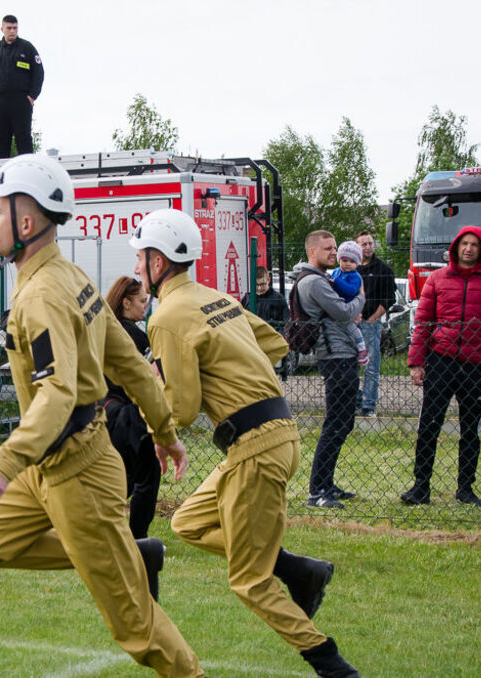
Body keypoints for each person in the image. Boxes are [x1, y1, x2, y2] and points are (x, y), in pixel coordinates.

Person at [0, 155, 203, 677]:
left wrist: (0, 465)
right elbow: (133, 367)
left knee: (136, 628)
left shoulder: (45, 294)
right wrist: (165, 432)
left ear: (26, 224)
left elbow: (56, 395)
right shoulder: (71, 276)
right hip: (46, 467)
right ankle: (115, 554)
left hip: (78, 470)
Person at [132, 209, 360, 678]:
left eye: (141, 257)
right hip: (276, 437)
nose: (137, 267)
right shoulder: (216, 299)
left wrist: (151, 400)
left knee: (251, 580)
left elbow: (183, 409)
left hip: (255, 446)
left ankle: (334, 666)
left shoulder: (168, 316)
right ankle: (297, 569)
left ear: (158, 262)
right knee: (190, 522)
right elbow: (275, 345)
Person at [401, 226, 481, 506]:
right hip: (441, 361)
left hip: (476, 365)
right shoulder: (437, 279)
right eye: (464, 243)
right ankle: (420, 487)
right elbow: (423, 322)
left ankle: (465, 489)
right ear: (456, 246)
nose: (469, 249)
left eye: (474, 244)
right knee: (429, 425)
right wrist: (416, 361)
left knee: (470, 429)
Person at [292, 231, 364, 509]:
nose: (334, 253)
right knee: (336, 422)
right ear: (312, 251)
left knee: (344, 421)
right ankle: (317, 490)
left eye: (335, 248)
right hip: (335, 355)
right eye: (328, 249)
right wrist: (360, 296)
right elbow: (345, 312)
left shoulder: (322, 279)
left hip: (341, 353)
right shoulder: (314, 282)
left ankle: (327, 483)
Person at [102, 276, 161, 539]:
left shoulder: (107, 329)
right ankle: (138, 537)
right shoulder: (134, 335)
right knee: (147, 476)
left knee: (121, 475)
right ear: (126, 303)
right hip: (128, 411)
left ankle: (97, 523)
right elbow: (146, 377)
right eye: (140, 301)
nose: (145, 306)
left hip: (105, 409)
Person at [0, 14, 43, 159]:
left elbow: (39, 74)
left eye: (15, 28)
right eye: (9, 28)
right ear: (2, 29)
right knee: (2, 141)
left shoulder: (27, 48)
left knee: (23, 140)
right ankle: (2, 179)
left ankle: (27, 174)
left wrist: (32, 96)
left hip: (21, 100)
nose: (12, 31)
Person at [354, 231, 396, 417]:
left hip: (371, 324)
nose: (368, 247)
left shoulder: (383, 269)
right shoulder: (351, 269)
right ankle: (354, 402)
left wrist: (373, 318)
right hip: (351, 324)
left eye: (370, 243)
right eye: (364, 244)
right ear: (357, 247)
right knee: (351, 365)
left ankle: (369, 405)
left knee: (371, 367)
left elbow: (389, 298)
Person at [330, 241, 369, 366]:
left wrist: (335, 282)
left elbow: (351, 290)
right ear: (339, 260)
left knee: (351, 328)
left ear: (357, 263)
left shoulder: (355, 277)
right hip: (337, 307)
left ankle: (361, 347)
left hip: (349, 306)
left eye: (351, 261)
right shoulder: (336, 272)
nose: (347, 264)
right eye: (344, 260)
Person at [240, 266, 288, 332]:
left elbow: (285, 323)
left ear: (268, 280)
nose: (259, 288)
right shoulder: (247, 298)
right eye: (256, 285)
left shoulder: (278, 299)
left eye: (262, 284)